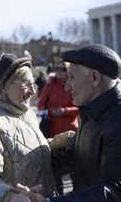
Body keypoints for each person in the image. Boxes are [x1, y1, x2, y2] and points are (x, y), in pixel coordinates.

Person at [18, 44, 121, 202]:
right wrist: (23, 171)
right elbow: (77, 156)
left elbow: (115, 192)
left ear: (95, 78)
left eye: (72, 77)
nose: (67, 86)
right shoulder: (93, 111)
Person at [0, 53, 73, 202]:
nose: (32, 91)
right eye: (25, 83)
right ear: (3, 87)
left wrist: (61, 142)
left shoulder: (28, 114)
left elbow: (25, 150)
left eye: (34, 84)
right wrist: (9, 197)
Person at [37, 60, 78, 195]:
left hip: (71, 132)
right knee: (56, 170)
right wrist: (51, 111)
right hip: (54, 133)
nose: (59, 72)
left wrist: (65, 111)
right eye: (57, 69)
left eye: (63, 69)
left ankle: (76, 195)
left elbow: (81, 105)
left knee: (75, 169)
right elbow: (41, 105)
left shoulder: (74, 84)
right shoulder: (49, 86)